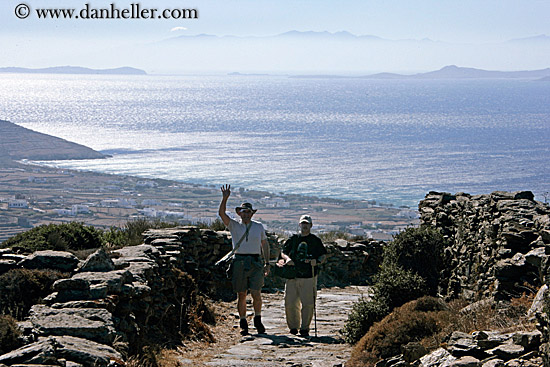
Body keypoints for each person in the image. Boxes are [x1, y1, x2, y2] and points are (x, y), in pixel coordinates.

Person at [218, 184, 270, 336]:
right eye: (243, 212)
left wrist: (267, 263)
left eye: (248, 212)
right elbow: (221, 214)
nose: (246, 215)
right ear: (239, 214)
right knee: (241, 294)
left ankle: (258, 319)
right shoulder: (234, 226)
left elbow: (265, 245)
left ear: (252, 214)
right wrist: (225, 198)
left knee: (256, 293)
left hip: (255, 261)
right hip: (239, 261)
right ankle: (243, 322)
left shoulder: (259, 227)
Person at [277, 215, 327, 337]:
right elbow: (283, 252)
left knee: (308, 304)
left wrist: (317, 261)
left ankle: (305, 328)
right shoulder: (293, 239)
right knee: (290, 303)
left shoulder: (315, 240)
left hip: (309, 276)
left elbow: (323, 255)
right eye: (303, 223)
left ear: (311, 225)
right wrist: (287, 259)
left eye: (307, 224)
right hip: (293, 275)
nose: (305, 226)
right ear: (299, 225)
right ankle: (293, 328)